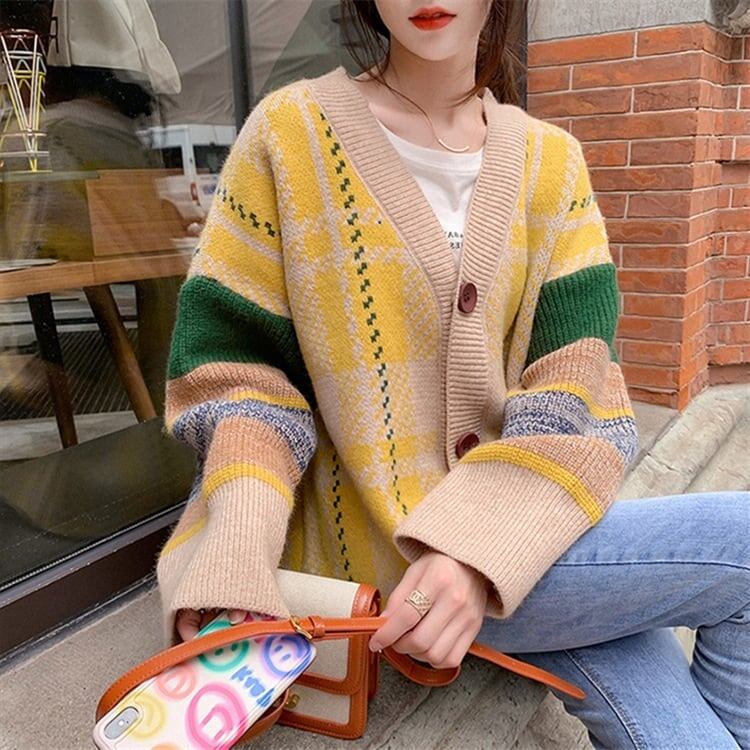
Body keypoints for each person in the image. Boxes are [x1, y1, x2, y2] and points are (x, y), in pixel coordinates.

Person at [155, 2, 750, 748]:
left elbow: (575, 384)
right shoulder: (289, 134)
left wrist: (479, 549)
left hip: (525, 530)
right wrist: (237, 551)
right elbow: (239, 380)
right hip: (378, 561)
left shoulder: (552, 162)